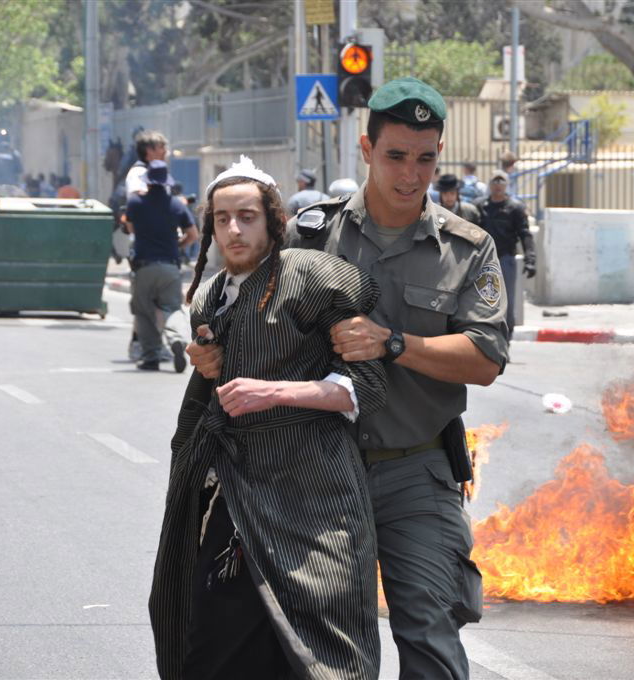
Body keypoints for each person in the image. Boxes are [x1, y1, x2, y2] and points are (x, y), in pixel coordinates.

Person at [188, 77, 509, 680]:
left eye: (425, 158)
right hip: (308, 470)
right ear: (366, 150)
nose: (410, 174)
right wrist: (208, 350)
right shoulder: (311, 234)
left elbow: (485, 358)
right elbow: (232, 304)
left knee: (431, 633)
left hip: (416, 471)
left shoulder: (469, 249)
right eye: (395, 156)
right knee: (309, 643)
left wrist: (394, 343)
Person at [149, 156, 387, 680]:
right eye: (222, 218)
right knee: (212, 644)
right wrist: (209, 366)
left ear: (274, 220)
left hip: (312, 495)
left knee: (323, 652)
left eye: (248, 216)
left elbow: (367, 388)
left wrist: (276, 392)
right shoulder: (209, 297)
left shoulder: (315, 280)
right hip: (234, 496)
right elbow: (210, 397)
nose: (234, 230)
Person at [123, 160, 197, 372]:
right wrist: (178, 245)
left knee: (144, 312)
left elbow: (130, 227)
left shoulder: (136, 202)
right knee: (172, 309)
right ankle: (177, 339)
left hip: (144, 265)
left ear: (147, 181)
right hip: (171, 267)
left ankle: (151, 356)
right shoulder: (176, 204)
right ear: (166, 182)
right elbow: (193, 235)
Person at [473, 169, 536, 340]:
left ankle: (505, 342)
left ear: (506, 185)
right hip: (483, 260)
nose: (498, 185)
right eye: (495, 181)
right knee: (482, 303)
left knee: (506, 304)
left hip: (505, 258)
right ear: (490, 185)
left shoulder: (515, 208)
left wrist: (531, 260)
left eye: (502, 182)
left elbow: (525, 234)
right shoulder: (479, 206)